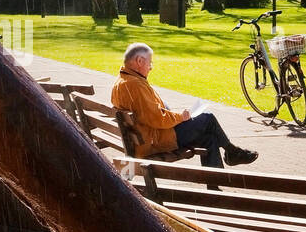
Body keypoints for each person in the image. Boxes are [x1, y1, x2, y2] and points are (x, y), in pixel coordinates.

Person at [110, 42, 258, 168]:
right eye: (150, 62)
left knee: (209, 138)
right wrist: (181, 117)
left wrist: (172, 113)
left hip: (145, 139)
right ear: (140, 61)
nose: (151, 67)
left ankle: (215, 187)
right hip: (155, 142)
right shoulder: (135, 85)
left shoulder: (123, 81)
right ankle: (231, 152)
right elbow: (157, 119)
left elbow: (149, 113)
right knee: (208, 118)